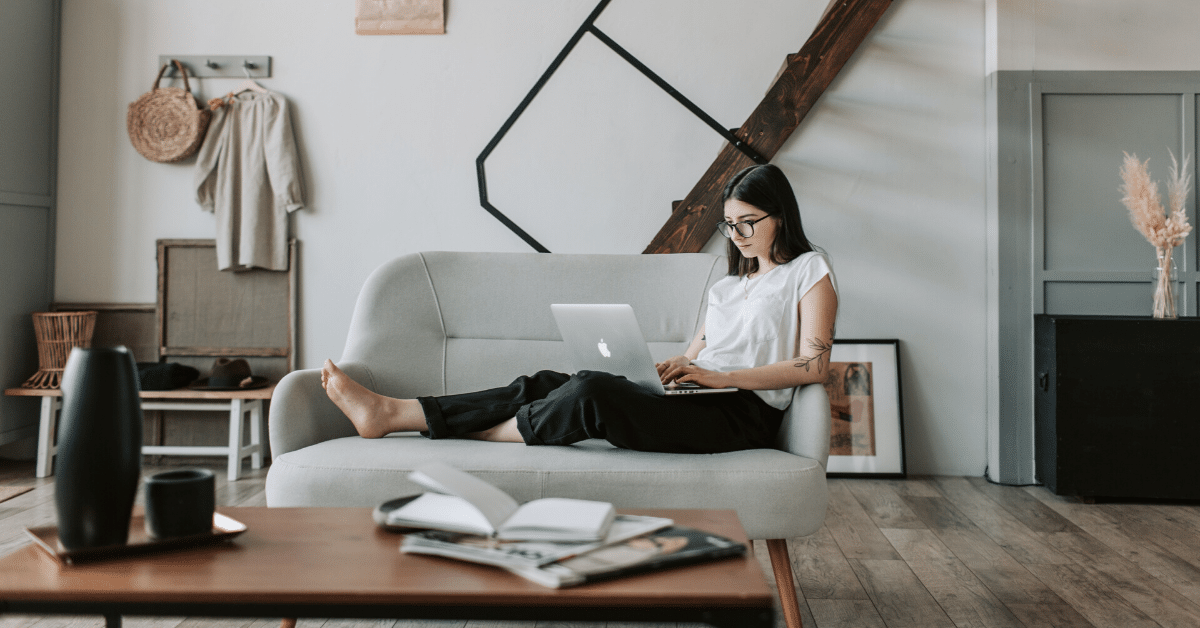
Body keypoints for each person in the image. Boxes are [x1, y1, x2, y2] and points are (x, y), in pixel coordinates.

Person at [321, 163, 838, 454]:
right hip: (695, 401)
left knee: (590, 392)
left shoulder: (809, 271)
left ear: (780, 215)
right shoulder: (728, 286)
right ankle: (392, 412)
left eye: (748, 221)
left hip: (739, 417)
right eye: (730, 224)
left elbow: (814, 366)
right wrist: (669, 373)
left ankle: (479, 431)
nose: (738, 235)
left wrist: (720, 379)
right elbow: (694, 354)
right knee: (551, 380)